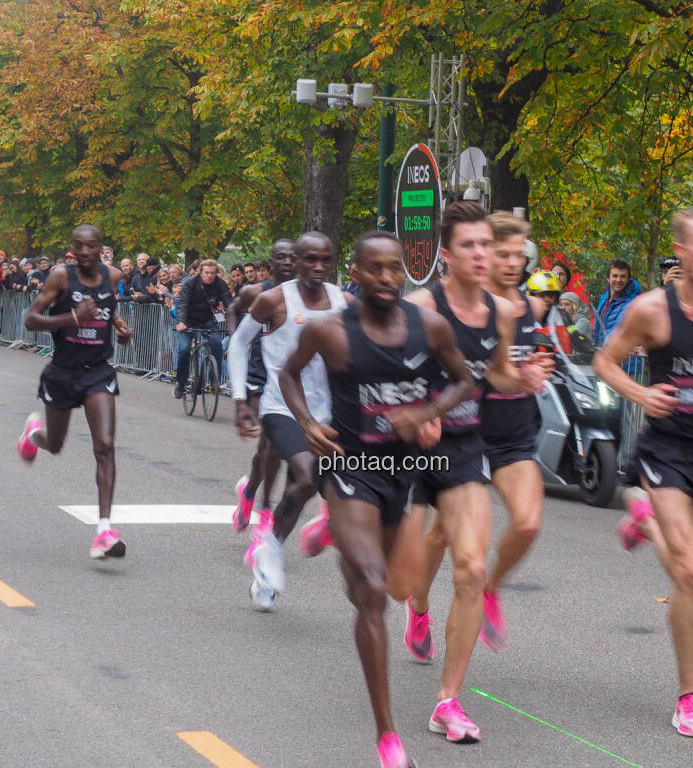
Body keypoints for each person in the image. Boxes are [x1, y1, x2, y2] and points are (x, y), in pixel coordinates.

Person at [280, 231, 474, 768]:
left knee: (395, 586)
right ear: (358, 274)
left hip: (402, 473)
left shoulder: (429, 327)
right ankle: (388, 735)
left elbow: (464, 381)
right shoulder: (331, 332)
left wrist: (429, 412)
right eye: (376, 269)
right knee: (369, 588)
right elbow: (289, 373)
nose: (388, 279)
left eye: (396, 270)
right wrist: (306, 421)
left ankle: (333, 533)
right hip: (350, 468)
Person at [593, 206, 693, 740]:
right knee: (686, 571)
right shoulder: (651, 310)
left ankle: (642, 520)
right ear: (681, 251)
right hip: (665, 453)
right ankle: (689, 696)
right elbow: (605, 361)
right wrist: (641, 393)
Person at [402, 201, 550, 744]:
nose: (483, 254)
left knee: (468, 568)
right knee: (404, 570)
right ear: (446, 254)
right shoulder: (421, 308)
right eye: (470, 246)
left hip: (466, 449)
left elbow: (498, 378)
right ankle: (413, 604)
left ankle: (448, 701)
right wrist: (420, 413)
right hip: (414, 449)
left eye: (488, 244)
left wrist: (526, 379)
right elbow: (390, 371)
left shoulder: (503, 313)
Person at [227, 232, 350, 610]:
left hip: (328, 411)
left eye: (323, 260)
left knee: (313, 485)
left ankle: (270, 549)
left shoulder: (341, 300)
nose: (316, 267)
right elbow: (238, 343)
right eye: (308, 259)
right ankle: (273, 547)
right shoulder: (273, 299)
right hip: (281, 405)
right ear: (295, 261)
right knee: (306, 473)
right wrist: (239, 398)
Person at [17, 224, 133, 558]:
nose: (85, 252)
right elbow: (31, 320)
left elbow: (109, 310)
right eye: (79, 246)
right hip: (62, 374)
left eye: (91, 246)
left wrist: (120, 328)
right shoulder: (60, 278)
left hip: (97, 372)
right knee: (55, 445)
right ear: (72, 247)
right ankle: (33, 435)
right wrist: (71, 317)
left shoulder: (112, 277)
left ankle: (104, 531)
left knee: (105, 446)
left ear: (101, 248)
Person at [476, 211, 556, 651]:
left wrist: (541, 366)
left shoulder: (527, 306)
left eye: (518, 255)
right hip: (466, 433)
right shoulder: (470, 306)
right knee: (442, 537)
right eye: (502, 254)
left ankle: (490, 586)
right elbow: (494, 369)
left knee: (526, 524)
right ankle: (420, 605)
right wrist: (516, 374)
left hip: (513, 434)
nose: (512, 263)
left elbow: (533, 357)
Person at [227, 239, 297, 537]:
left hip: (289, 380)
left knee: (270, 448)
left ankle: (249, 492)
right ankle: (265, 510)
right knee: (271, 441)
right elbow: (233, 310)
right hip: (258, 375)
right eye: (281, 258)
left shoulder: (307, 295)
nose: (288, 263)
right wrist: (235, 341)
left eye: (293, 258)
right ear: (271, 264)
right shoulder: (256, 292)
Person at [172, 259, 229, 399]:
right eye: (206, 273)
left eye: (212, 273)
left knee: (217, 345)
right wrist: (181, 322)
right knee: (184, 349)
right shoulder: (190, 283)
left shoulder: (220, 284)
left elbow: (229, 302)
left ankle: (213, 380)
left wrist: (235, 322)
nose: (209, 276)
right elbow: (183, 303)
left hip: (207, 321)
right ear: (200, 272)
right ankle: (181, 382)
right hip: (188, 321)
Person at [595, 259, 642, 346]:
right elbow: (598, 328)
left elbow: (618, 331)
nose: (619, 280)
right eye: (615, 276)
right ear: (608, 279)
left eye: (623, 276)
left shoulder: (632, 303)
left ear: (628, 280)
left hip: (623, 357)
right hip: (605, 353)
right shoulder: (604, 298)